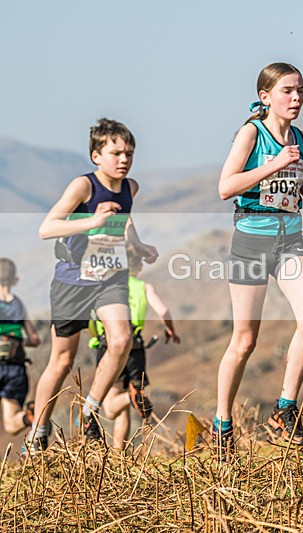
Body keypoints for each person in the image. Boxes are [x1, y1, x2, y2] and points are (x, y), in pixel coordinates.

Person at [25, 118, 158, 452]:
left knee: (122, 339)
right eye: (116, 153)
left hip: (110, 278)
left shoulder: (130, 188)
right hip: (72, 280)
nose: (124, 159)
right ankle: (38, 432)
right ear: (97, 155)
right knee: (62, 361)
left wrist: (137, 244)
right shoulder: (82, 186)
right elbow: (47, 228)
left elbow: (124, 220)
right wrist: (92, 221)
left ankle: (89, 413)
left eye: (129, 153)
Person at [214, 63, 303, 455]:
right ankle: (223, 423)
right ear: (266, 97)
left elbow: (287, 187)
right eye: (287, 91)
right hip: (251, 242)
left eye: (301, 90)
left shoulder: (302, 138)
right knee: (245, 341)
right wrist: (272, 165)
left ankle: (285, 408)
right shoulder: (251, 134)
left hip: (290, 240)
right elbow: (226, 187)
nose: (296, 98)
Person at [89, 250, 180, 449]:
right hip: (136, 348)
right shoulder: (144, 287)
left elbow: (90, 318)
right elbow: (163, 311)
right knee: (124, 410)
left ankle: (129, 397)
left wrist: (95, 336)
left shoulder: (107, 286)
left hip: (109, 346)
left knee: (111, 407)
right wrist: (170, 329)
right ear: (139, 266)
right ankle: (119, 455)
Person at [0, 258, 40, 436]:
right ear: (15, 280)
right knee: (10, 424)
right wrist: (18, 342)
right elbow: (34, 339)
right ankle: (29, 417)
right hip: (15, 369)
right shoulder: (19, 305)